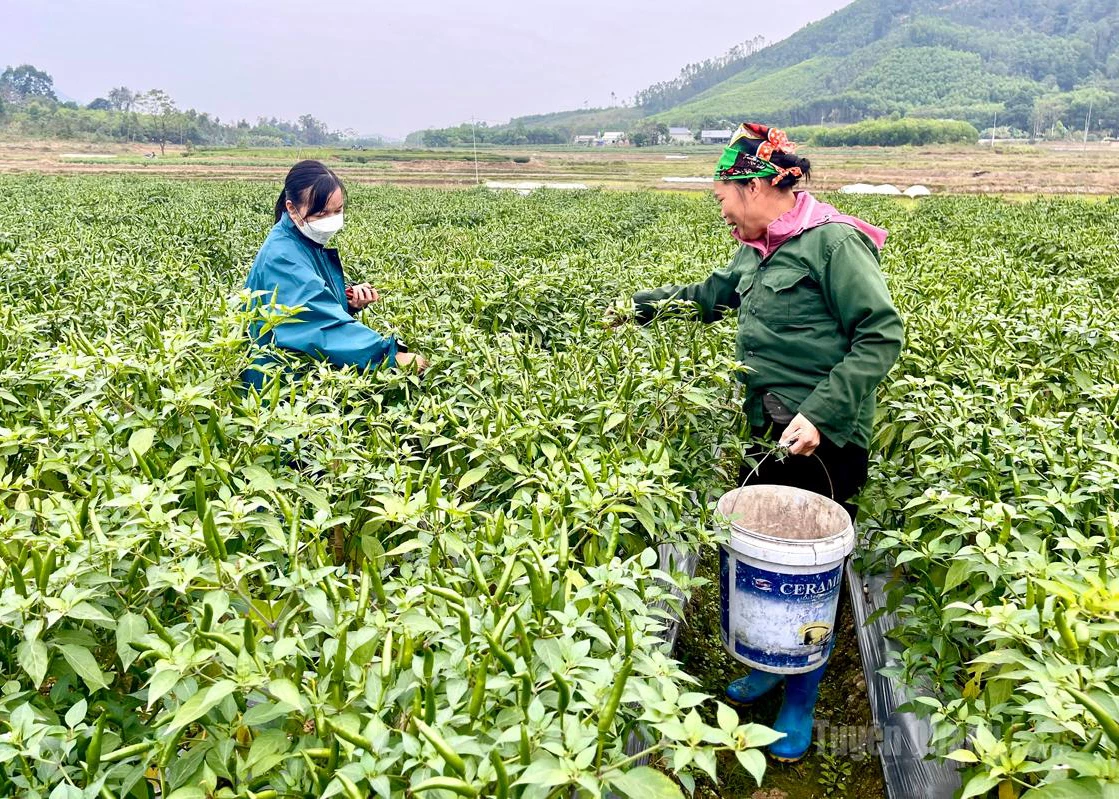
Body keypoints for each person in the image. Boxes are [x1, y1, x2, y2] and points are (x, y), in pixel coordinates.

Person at [620, 123, 904, 761]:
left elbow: (881, 335)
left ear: (755, 186)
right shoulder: (758, 248)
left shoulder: (833, 244)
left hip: (824, 440)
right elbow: (710, 297)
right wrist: (636, 307)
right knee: (764, 553)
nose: (719, 207)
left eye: (724, 193)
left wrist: (822, 414)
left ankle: (800, 697)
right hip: (768, 430)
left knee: (808, 571)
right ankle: (769, 664)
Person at [243, 160, 426, 391]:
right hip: (275, 380)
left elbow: (309, 297)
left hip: (288, 370)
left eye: (337, 211)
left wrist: (346, 300)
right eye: (321, 213)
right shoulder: (283, 255)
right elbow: (318, 324)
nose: (331, 219)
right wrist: (388, 355)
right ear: (292, 208)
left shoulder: (301, 240)